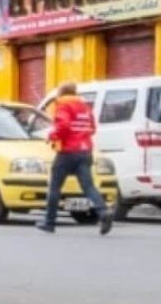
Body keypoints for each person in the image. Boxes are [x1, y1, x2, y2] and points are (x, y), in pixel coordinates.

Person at [36, 81, 113, 235]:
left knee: (55, 187)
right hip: (85, 151)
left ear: (61, 92)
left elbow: (63, 126)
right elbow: (92, 128)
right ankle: (103, 212)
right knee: (88, 186)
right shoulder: (84, 106)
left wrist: (53, 136)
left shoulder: (63, 105)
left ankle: (49, 222)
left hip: (68, 152)